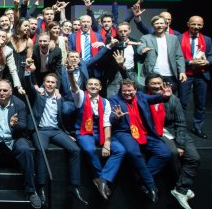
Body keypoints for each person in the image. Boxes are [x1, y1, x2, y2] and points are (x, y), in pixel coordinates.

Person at [0, 79, 41, 208]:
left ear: (11, 92)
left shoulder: (20, 104)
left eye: (5, 90)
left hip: (14, 138)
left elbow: (24, 125)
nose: (2, 93)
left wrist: (14, 125)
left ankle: (31, 190)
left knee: (25, 148)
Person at [26, 73, 87, 206]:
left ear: (56, 85)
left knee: (75, 150)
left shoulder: (60, 98)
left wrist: (66, 133)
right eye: (47, 82)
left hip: (56, 130)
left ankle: (74, 186)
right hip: (40, 130)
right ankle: (41, 187)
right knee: (42, 150)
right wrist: (27, 72)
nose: (50, 84)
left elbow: (60, 118)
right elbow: (29, 86)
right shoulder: (39, 94)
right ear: (43, 83)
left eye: (53, 82)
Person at [109, 78, 173, 203]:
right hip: (125, 133)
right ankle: (151, 186)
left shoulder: (141, 96)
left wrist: (164, 96)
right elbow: (112, 117)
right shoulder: (114, 99)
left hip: (144, 132)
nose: (127, 93)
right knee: (134, 153)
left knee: (165, 153)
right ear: (120, 90)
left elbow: (156, 98)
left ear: (136, 90)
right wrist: (116, 117)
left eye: (130, 91)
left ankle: (142, 180)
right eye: (124, 91)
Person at [67, 68, 125, 200]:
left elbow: (106, 123)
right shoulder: (81, 96)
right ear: (86, 87)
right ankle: (99, 177)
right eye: (90, 84)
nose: (93, 86)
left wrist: (107, 143)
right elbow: (74, 87)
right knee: (89, 149)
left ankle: (103, 179)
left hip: (100, 132)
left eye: (96, 85)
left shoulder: (106, 102)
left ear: (100, 87)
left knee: (121, 150)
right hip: (84, 131)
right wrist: (70, 74)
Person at [145, 73, 200, 209]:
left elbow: (180, 123)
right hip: (157, 133)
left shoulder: (173, 99)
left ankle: (180, 189)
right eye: (153, 83)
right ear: (147, 85)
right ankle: (179, 187)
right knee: (172, 153)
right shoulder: (143, 98)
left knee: (194, 157)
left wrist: (181, 144)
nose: (157, 86)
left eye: (159, 83)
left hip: (175, 132)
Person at [177, 15, 212, 139]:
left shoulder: (207, 39)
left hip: (201, 74)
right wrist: (191, 62)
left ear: (202, 25)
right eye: (194, 24)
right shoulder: (179, 38)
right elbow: (177, 57)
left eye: (199, 24)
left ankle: (197, 127)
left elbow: (210, 55)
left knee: (200, 103)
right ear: (188, 24)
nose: (196, 27)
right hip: (185, 74)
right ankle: (180, 128)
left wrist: (207, 62)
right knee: (183, 102)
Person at [137, 15, 186, 93]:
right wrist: (142, 49)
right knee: (152, 98)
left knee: (169, 98)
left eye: (161, 23)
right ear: (153, 25)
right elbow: (140, 47)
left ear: (166, 25)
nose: (159, 25)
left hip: (170, 74)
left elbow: (179, 56)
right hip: (153, 74)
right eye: (156, 23)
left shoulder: (173, 38)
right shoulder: (146, 37)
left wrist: (182, 71)